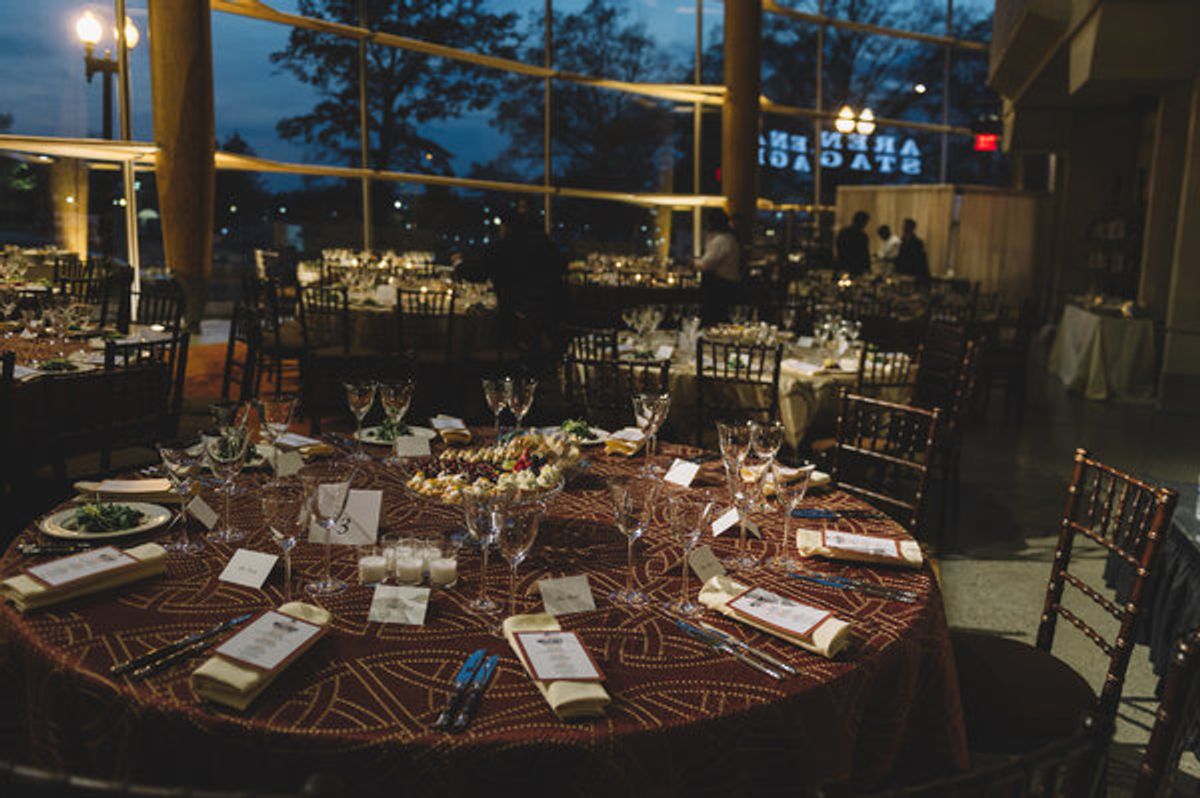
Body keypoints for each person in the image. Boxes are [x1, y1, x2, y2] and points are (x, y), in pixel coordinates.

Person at [455, 200, 567, 366]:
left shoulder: (500, 248)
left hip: (514, 320)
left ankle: (479, 373)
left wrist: (458, 263)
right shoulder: (544, 244)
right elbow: (562, 266)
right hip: (552, 313)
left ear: (505, 228)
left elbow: (476, 274)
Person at [694, 208, 741, 325]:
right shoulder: (730, 239)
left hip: (718, 289)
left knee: (713, 321)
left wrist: (693, 263)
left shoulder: (721, 240)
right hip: (729, 287)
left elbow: (706, 264)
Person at [894, 218, 931, 286]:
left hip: (913, 272)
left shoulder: (918, 242)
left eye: (906, 226)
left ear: (912, 228)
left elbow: (919, 260)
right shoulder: (902, 241)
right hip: (902, 271)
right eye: (904, 226)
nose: (904, 227)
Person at [835, 211, 871, 276]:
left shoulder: (843, 232)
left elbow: (839, 248)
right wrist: (867, 268)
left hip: (843, 264)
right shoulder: (862, 236)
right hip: (857, 267)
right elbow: (864, 253)